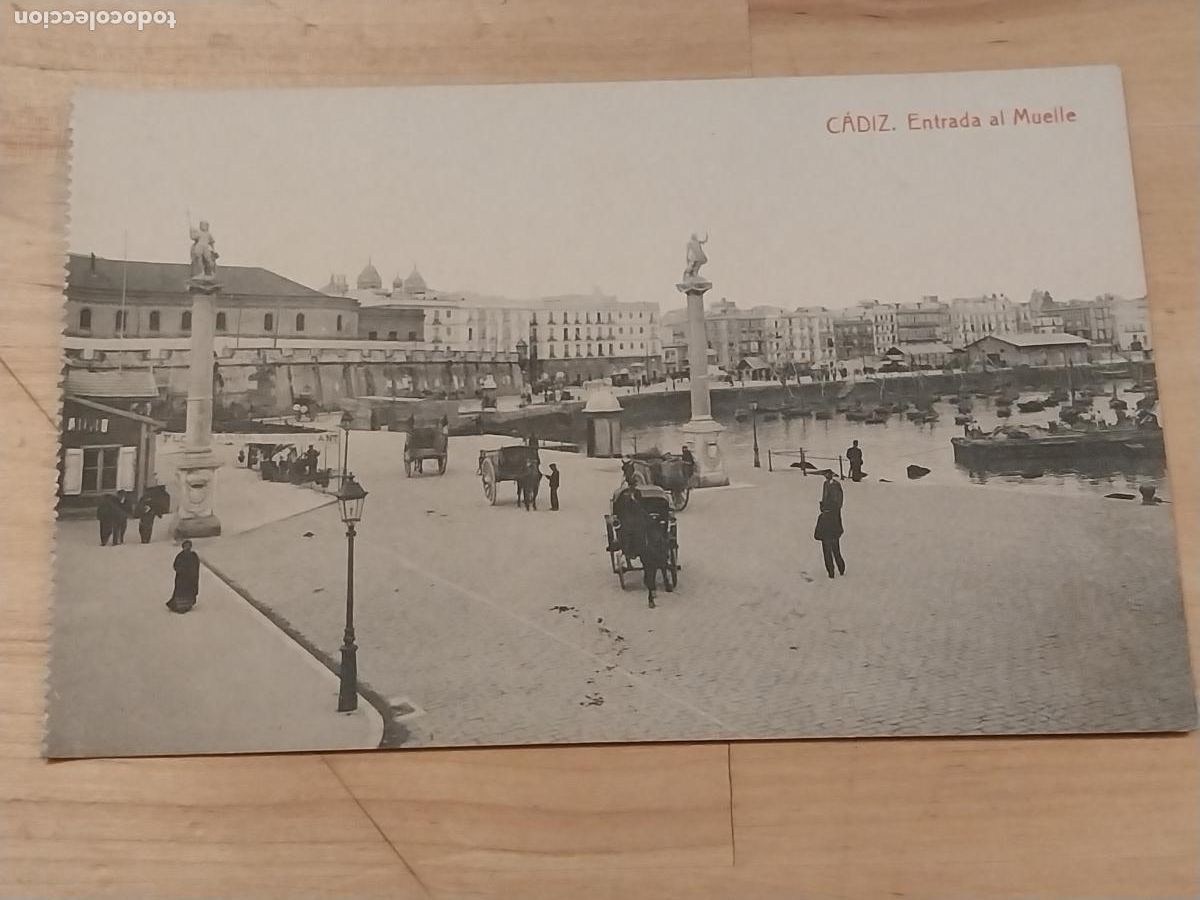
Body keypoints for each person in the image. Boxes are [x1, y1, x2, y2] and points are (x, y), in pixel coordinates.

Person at [167, 540, 200, 613]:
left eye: (188, 546)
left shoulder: (193, 556)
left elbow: (196, 566)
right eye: (185, 546)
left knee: (189, 591)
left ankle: (187, 604)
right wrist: (181, 570)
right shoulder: (180, 556)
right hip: (182, 579)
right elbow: (175, 565)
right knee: (180, 592)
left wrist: (192, 574)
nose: (187, 548)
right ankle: (180, 605)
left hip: (190, 579)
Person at [814, 502, 846, 579]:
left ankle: (831, 572)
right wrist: (837, 535)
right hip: (834, 538)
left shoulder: (821, 517)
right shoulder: (834, 516)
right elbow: (840, 528)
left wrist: (819, 537)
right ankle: (841, 568)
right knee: (837, 553)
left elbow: (817, 532)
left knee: (827, 555)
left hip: (825, 540)